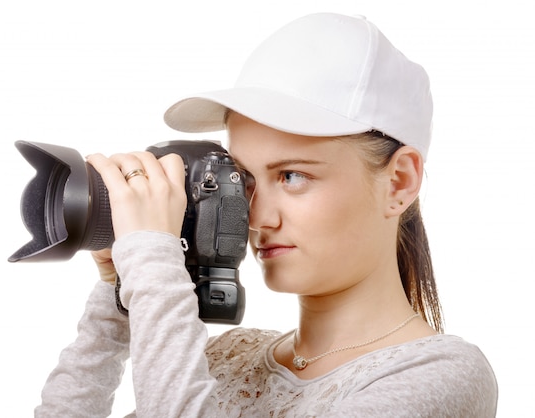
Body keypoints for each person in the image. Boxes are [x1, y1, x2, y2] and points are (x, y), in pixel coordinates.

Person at [34, 13, 498, 417]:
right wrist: (120, 294)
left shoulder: (443, 374)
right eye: (243, 181)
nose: (255, 219)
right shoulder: (229, 358)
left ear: (399, 182)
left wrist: (155, 269)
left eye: (293, 176)